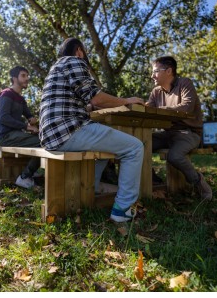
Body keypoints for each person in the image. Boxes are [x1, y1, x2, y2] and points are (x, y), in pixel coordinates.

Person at [39, 37, 144, 222]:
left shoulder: (55, 69)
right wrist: (127, 101)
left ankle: (90, 189)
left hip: (52, 134)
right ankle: (123, 211)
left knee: (105, 149)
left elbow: (77, 101)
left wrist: (87, 107)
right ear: (79, 50)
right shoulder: (74, 61)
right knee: (134, 147)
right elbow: (96, 98)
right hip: (68, 131)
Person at [146, 56, 212, 200]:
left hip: (189, 133)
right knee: (139, 144)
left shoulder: (185, 83)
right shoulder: (156, 92)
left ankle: (198, 181)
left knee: (174, 156)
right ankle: (153, 180)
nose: (152, 76)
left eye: (156, 71)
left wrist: (160, 110)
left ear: (169, 71)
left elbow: (186, 108)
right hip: (166, 133)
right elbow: (147, 111)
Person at [0, 66, 41, 189]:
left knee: (45, 138)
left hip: (16, 134)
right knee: (41, 143)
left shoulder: (20, 99)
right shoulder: (6, 94)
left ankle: (31, 170)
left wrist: (32, 119)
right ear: (15, 78)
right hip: (5, 136)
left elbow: (28, 115)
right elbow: (3, 118)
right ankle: (25, 177)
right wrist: (27, 126)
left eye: (27, 76)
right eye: (23, 76)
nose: (27, 79)